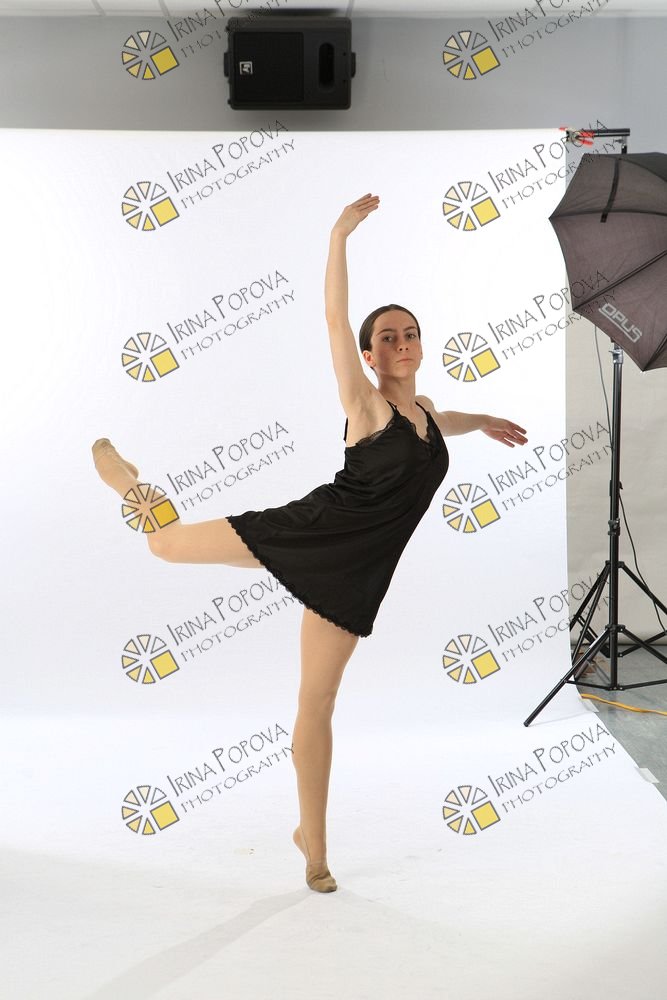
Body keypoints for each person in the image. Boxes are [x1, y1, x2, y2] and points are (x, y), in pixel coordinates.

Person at [92, 193, 527, 894]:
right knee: (164, 546)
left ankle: (311, 843)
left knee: (317, 702)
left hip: (354, 575)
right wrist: (338, 236)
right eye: (386, 336)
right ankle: (129, 483)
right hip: (312, 529)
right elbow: (332, 318)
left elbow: (446, 417)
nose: (401, 342)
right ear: (368, 354)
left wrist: (485, 420)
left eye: (410, 333)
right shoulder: (366, 403)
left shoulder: (423, 411)